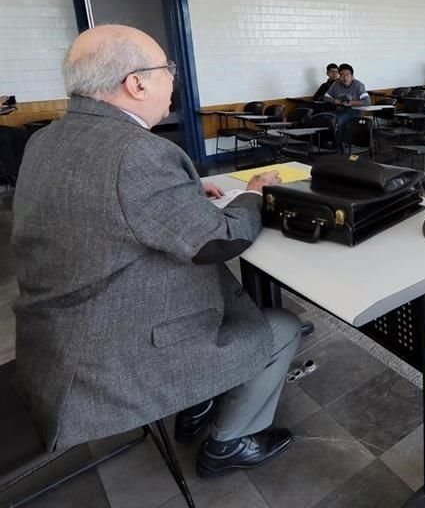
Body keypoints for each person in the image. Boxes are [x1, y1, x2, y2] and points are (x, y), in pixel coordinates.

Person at [12, 25, 300, 476]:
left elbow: (106, 205)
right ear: (136, 82)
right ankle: (231, 442)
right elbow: (219, 240)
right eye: (168, 68)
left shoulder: (47, 139)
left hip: (56, 339)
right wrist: (254, 193)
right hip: (106, 361)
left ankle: (200, 402)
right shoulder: (136, 152)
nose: (173, 79)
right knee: (281, 325)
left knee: (221, 298)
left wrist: (180, 192)